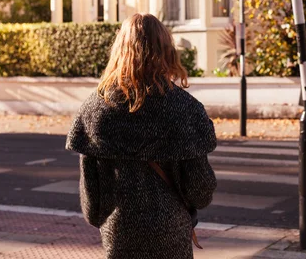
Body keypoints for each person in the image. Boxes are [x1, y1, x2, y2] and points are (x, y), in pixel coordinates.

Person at [66, 13, 217, 259]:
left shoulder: (96, 109)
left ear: (120, 50)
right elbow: (200, 190)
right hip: (172, 231)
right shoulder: (184, 108)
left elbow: (93, 206)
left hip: (120, 231)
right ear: (166, 51)